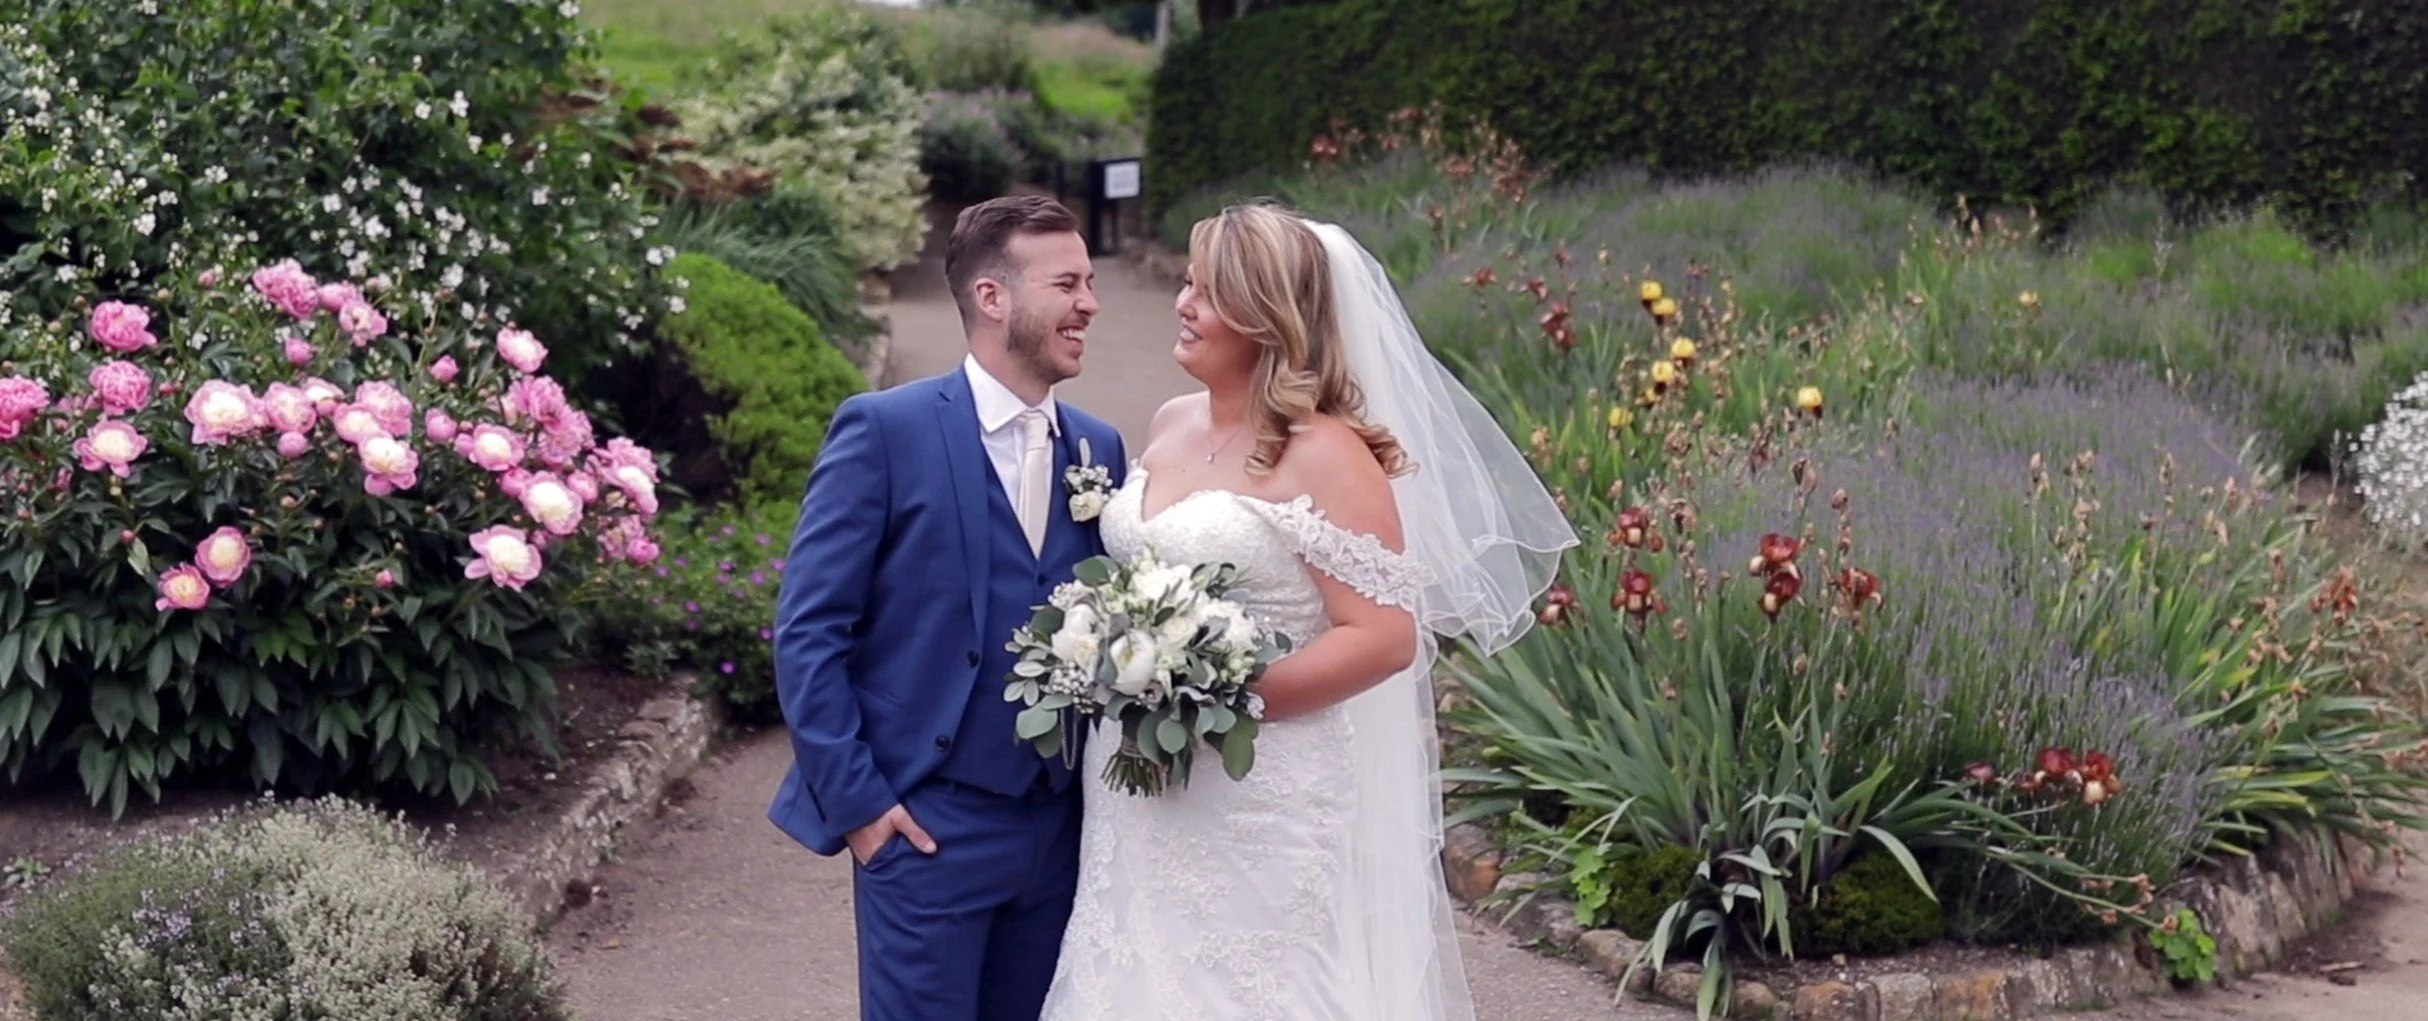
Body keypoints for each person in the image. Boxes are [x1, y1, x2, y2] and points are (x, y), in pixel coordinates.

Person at [1038, 203, 1578, 1020]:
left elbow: (1386, 636)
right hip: (1137, 789)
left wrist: (1215, 700)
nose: (1181, 303)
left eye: (1206, 291)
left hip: (1261, 786)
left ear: (1265, 318)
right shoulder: (1170, 423)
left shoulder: (1328, 453)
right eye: (1185, 283)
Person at [769, 195, 1128, 1021]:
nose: (1090, 304)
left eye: (1091, 282)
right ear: (993, 297)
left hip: (1058, 835)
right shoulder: (884, 430)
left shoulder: (1098, 449)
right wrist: (860, 806)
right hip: (925, 828)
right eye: (1067, 283)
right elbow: (809, 630)